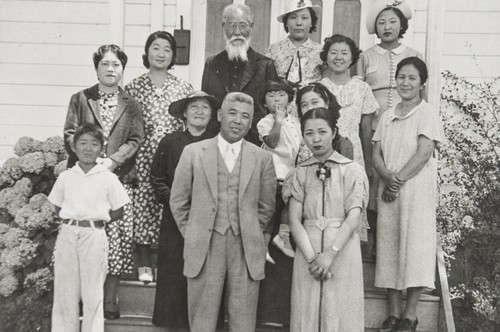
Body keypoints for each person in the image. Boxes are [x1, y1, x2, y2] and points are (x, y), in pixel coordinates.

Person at [170, 92, 277, 332]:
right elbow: (178, 200)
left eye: (245, 116)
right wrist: (193, 232)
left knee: (243, 319)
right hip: (205, 245)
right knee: (202, 318)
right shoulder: (193, 152)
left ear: (251, 123)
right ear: (220, 116)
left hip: (245, 246)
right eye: (232, 113)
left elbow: (266, 205)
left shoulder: (262, 158)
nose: (238, 120)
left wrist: (250, 229)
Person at [63, 44, 144, 319]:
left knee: (116, 242)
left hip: (118, 178)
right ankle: (86, 298)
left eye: (116, 65)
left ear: (123, 69)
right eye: (105, 64)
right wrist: (90, 159)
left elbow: (136, 138)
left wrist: (111, 161)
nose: (111, 69)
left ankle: (110, 300)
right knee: (87, 238)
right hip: (85, 178)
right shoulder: (81, 98)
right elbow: (70, 133)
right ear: (96, 68)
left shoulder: (131, 103)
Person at [373, 57, 443, 332]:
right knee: (389, 246)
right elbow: (376, 152)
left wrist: (398, 180)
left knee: (415, 248)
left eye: (412, 77)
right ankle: (393, 313)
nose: (405, 82)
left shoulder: (427, 113)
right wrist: (387, 178)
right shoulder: (387, 115)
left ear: (422, 83)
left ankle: (410, 315)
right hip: (389, 189)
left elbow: (424, 152)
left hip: (415, 191)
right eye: (401, 76)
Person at [285, 107, 368, 331]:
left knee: (340, 310)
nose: (316, 139)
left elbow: (353, 217)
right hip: (308, 248)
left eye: (322, 131)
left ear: (334, 132)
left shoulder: (351, 170)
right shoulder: (300, 172)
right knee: (307, 311)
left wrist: (330, 254)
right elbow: (294, 220)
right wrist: (313, 259)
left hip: (342, 248)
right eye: (309, 133)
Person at [125, 31, 193, 283]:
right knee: (143, 204)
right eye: (156, 48)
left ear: (173, 55)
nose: (161, 53)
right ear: (147, 52)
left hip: (173, 155)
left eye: (167, 49)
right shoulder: (133, 86)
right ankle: (143, 262)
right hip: (142, 154)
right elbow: (126, 128)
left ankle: (164, 263)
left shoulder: (183, 87)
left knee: (170, 202)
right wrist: (129, 163)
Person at [49, 123, 130, 332]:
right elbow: (57, 207)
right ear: (74, 148)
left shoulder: (108, 178)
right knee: (65, 292)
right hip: (67, 235)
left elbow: (118, 210)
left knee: (93, 293)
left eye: (94, 144)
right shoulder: (66, 177)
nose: (87, 148)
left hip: (94, 236)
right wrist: (75, 221)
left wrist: (94, 221)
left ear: (101, 149)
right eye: (82, 143)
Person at [356, 0, 423, 252]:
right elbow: (360, 92)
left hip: (406, 127)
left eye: (393, 21)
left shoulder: (414, 55)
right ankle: (374, 242)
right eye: (382, 22)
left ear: (402, 25)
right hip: (375, 126)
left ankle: (399, 242)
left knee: (400, 180)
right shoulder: (366, 56)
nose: (387, 26)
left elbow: (422, 96)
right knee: (375, 180)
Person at [150, 91, 220, 329]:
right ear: (184, 113)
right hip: (175, 218)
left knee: (206, 272)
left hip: (209, 217)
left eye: (204, 107)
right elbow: (157, 178)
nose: (199, 111)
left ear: (212, 114)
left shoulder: (218, 142)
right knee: (175, 271)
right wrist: (176, 202)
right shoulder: (170, 142)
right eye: (194, 107)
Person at [201, 3, 278, 146]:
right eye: (231, 25)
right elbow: (206, 104)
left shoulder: (266, 65)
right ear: (224, 27)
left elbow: (273, 109)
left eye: (243, 25)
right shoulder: (212, 63)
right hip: (218, 141)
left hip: (255, 141)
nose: (237, 32)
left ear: (251, 27)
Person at [256, 80, 300, 327]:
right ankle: (263, 245)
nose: (276, 100)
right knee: (268, 213)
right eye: (271, 95)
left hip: (291, 174)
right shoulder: (266, 122)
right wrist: (279, 121)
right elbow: (272, 143)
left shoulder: (297, 122)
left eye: (281, 95)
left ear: (289, 99)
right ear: (265, 102)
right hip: (272, 174)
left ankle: (282, 237)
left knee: (286, 210)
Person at [320, 34, 379, 171]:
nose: (338, 57)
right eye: (333, 53)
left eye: (344, 53)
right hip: (324, 150)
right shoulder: (318, 88)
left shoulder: (362, 88)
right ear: (326, 57)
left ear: (352, 58)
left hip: (354, 151)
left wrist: (369, 162)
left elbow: (366, 130)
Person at [266, 0, 323, 116]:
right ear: (286, 22)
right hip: (279, 111)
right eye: (293, 17)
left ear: (312, 22)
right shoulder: (273, 50)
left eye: (304, 18)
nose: (299, 23)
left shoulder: (320, 52)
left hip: (310, 110)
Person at [295, 82, 354, 166]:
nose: (309, 108)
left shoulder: (341, 142)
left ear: (326, 104)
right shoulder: (296, 133)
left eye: (314, 102)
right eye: (304, 105)